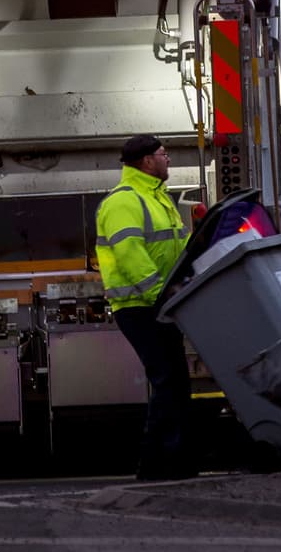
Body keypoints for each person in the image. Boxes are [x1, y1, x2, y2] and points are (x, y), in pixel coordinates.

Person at [95, 134, 194, 481]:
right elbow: (129, 254)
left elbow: (177, 247)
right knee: (167, 380)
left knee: (176, 382)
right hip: (141, 305)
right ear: (147, 162)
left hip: (158, 303)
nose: (169, 160)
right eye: (164, 155)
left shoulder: (156, 197)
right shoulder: (124, 201)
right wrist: (161, 294)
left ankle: (176, 460)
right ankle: (154, 465)